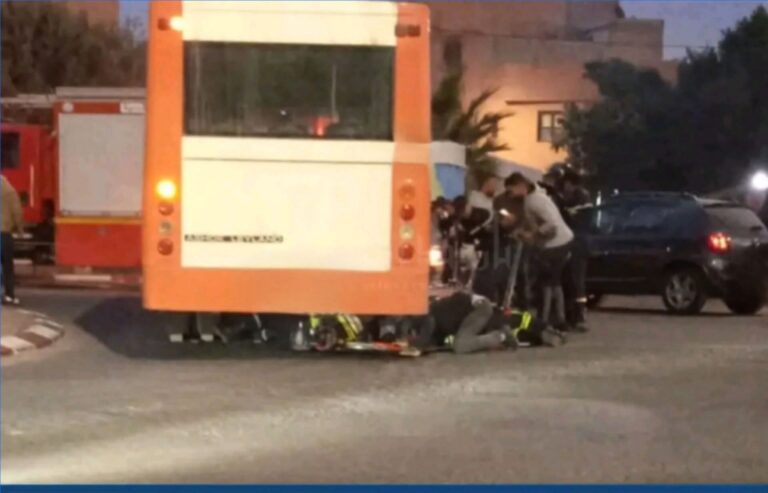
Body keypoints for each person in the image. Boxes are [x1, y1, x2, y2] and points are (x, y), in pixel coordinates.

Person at [505, 172, 574, 334]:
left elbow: (551, 224)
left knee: (547, 282)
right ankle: (558, 318)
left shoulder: (535, 201)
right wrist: (523, 229)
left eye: (511, 190)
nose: (510, 195)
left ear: (520, 186)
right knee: (553, 282)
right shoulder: (534, 197)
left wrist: (533, 234)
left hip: (556, 243)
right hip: (560, 241)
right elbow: (534, 220)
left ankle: (547, 319)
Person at [559, 169, 592, 332]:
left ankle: (576, 316)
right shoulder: (584, 196)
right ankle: (577, 315)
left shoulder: (579, 197)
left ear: (569, 183)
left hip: (576, 243)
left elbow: (569, 214)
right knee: (577, 281)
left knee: (575, 280)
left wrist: (561, 202)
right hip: (580, 242)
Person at [2, 175, 24, 305]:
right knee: (7, 266)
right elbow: (17, 212)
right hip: (4, 234)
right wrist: (20, 230)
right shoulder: (10, 190)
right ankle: (9, 295)